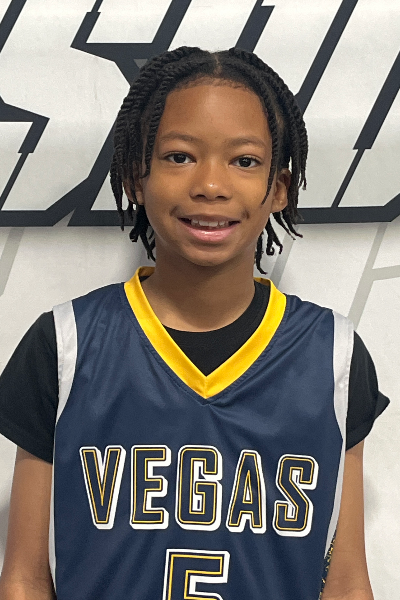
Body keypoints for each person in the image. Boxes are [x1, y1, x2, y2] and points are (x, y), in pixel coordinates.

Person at [0, 46, 389, 600]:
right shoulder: (64, 345)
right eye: (180, 156)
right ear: (136, 178)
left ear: (279, 188)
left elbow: (347, 582)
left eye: (244, 161)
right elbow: (24, 577)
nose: (210, 184)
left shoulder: (334, 356)